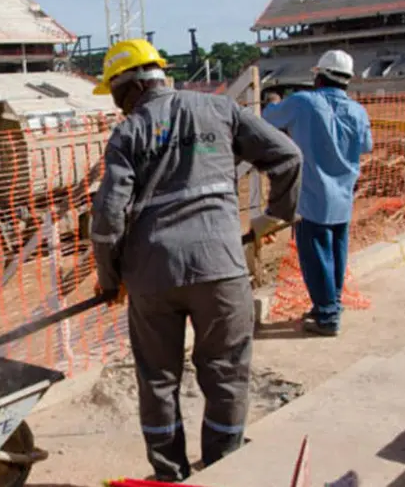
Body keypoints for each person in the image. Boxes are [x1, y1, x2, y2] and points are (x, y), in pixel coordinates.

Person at [89, 38, 303, 482]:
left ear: (123, 89)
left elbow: (108, 219)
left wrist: (110, 280)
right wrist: (273, 218)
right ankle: (225, 469)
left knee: (157, 379)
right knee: (226, 372)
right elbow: (288, 156)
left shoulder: (128, 133)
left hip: (151, 276)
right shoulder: (220, 111)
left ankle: (169, 475)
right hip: (221, 266)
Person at [262, 49, 373, 337]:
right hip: (343, 196)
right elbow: (366, 146)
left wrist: (273, 99)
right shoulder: (358, 111)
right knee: (336, 254)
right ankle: (330, 305)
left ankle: (326, 316)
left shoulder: (303, 103)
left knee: (315, 258)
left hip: (312, 197)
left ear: (319, 76)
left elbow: (270, 117)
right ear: (347, 80)